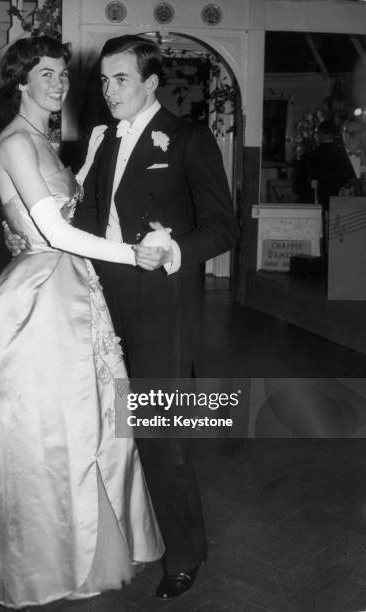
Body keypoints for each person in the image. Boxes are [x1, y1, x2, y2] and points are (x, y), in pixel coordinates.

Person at [0, 35, 166, 609]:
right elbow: (53, 233)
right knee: (47, 435)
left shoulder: (45, 144)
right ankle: (45, 562)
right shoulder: (14, 145)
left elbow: (73, 216)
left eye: (62, 75)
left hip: (75, 291)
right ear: (21, 83)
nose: (59, 84)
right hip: (38, 302)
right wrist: (135, 254)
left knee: (91, 426)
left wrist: (100, 156)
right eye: (46, 75)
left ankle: (88, 545)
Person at [75, 35, 239, 599]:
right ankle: (125, 536)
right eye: (103, 80)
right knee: (107, 426)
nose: (108, 90)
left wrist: (174, 250)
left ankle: (187, 552)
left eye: (120, 79)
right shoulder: (102, 139)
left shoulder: (189, 138)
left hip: (161, 305)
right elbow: (93, 221)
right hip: (105, 297)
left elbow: (224, 226)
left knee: (159, 432)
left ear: (150, 83)